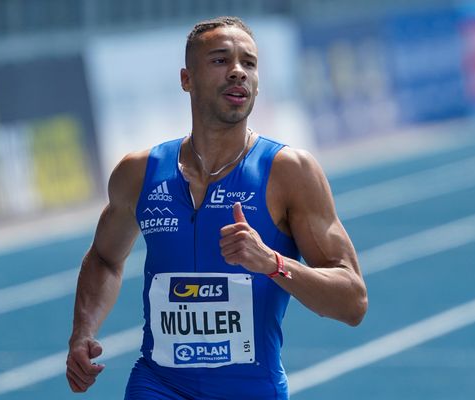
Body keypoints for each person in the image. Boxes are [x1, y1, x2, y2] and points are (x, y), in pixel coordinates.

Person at [66, 16, 367, 399]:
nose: (238, 72)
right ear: (186, 79)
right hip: (158, 385)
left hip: (250, 390)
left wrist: (273, 263)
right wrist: (83, 331)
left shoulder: (290, 172)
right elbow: (105, 259)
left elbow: (353, 302)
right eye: (221, 60)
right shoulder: (139, 173)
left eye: (250, 63)